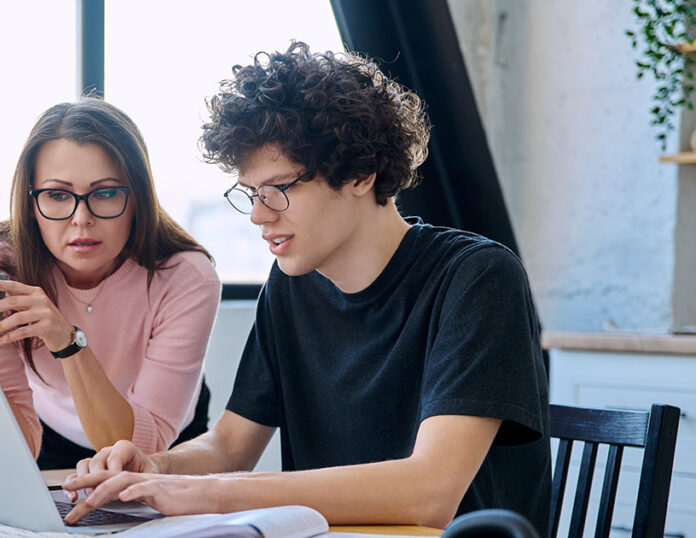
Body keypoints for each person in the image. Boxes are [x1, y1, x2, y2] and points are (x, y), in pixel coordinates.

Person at [62, 41, 551, 531]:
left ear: (361, 172)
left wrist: (208, 493)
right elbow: (231, 445)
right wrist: (157, 468)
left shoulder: (476, 277)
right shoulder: (292, 286)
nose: (257, 215)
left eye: (278, 189)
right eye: (251, 194)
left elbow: (429, 492)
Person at [0, 99, 221, 469]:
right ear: (30, 201)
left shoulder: (185, 277)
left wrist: (67, 341)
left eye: (105, 193)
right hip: (47, 433)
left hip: (160, 436)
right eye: (57, 195)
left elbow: (140, 447)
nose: (81, 219)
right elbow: (11, 447)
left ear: (138, 198)